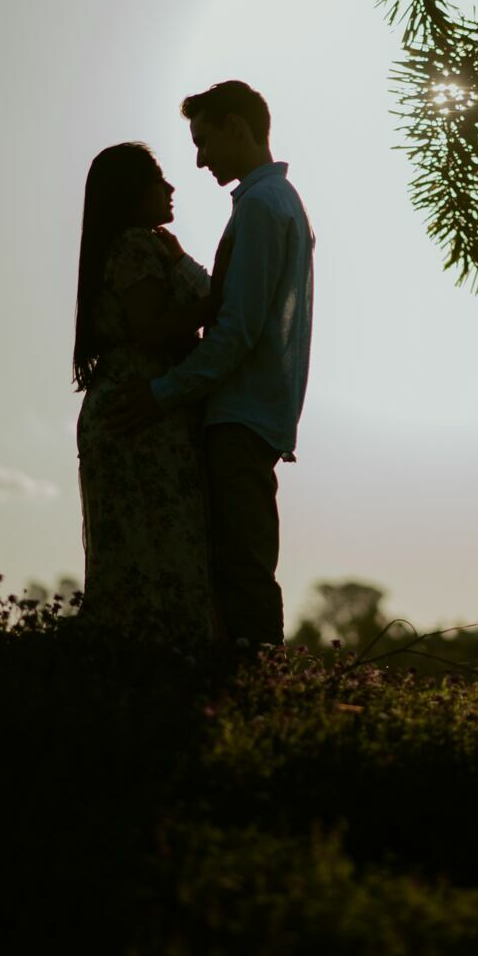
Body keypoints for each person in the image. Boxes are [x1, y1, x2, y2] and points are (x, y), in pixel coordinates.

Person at [108, 82, 314, 651]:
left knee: (241, 570)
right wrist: (184, 262)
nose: (199, 159)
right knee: (237, 566)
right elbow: (232, 299)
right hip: (253, 411)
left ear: (236, 128)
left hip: (241, 414)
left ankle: (262, 702)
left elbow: (235, 331)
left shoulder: (262, 209)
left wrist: (161, 393)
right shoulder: (271, 203)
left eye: (204, 141)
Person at [73, 143, 218, 643]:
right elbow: (153, 329)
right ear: (133, 193)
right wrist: (220, 304)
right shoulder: (134, 246)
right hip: (141, 418)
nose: (171, 187)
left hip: (133, 409)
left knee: (138, 552)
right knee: (158, 549)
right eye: (160, 179)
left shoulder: (148, 245)